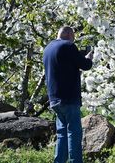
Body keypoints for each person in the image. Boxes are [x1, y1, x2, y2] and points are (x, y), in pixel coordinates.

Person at [43, 26, 93, 163]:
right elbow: (85, 65)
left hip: (54, 98)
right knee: (74, 133)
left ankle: (59, 161)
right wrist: (88, 58)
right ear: (69, 34)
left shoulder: (48, 48)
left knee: (62, 134)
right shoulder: (68, 46)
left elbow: (65, 66)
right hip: (69, 97)